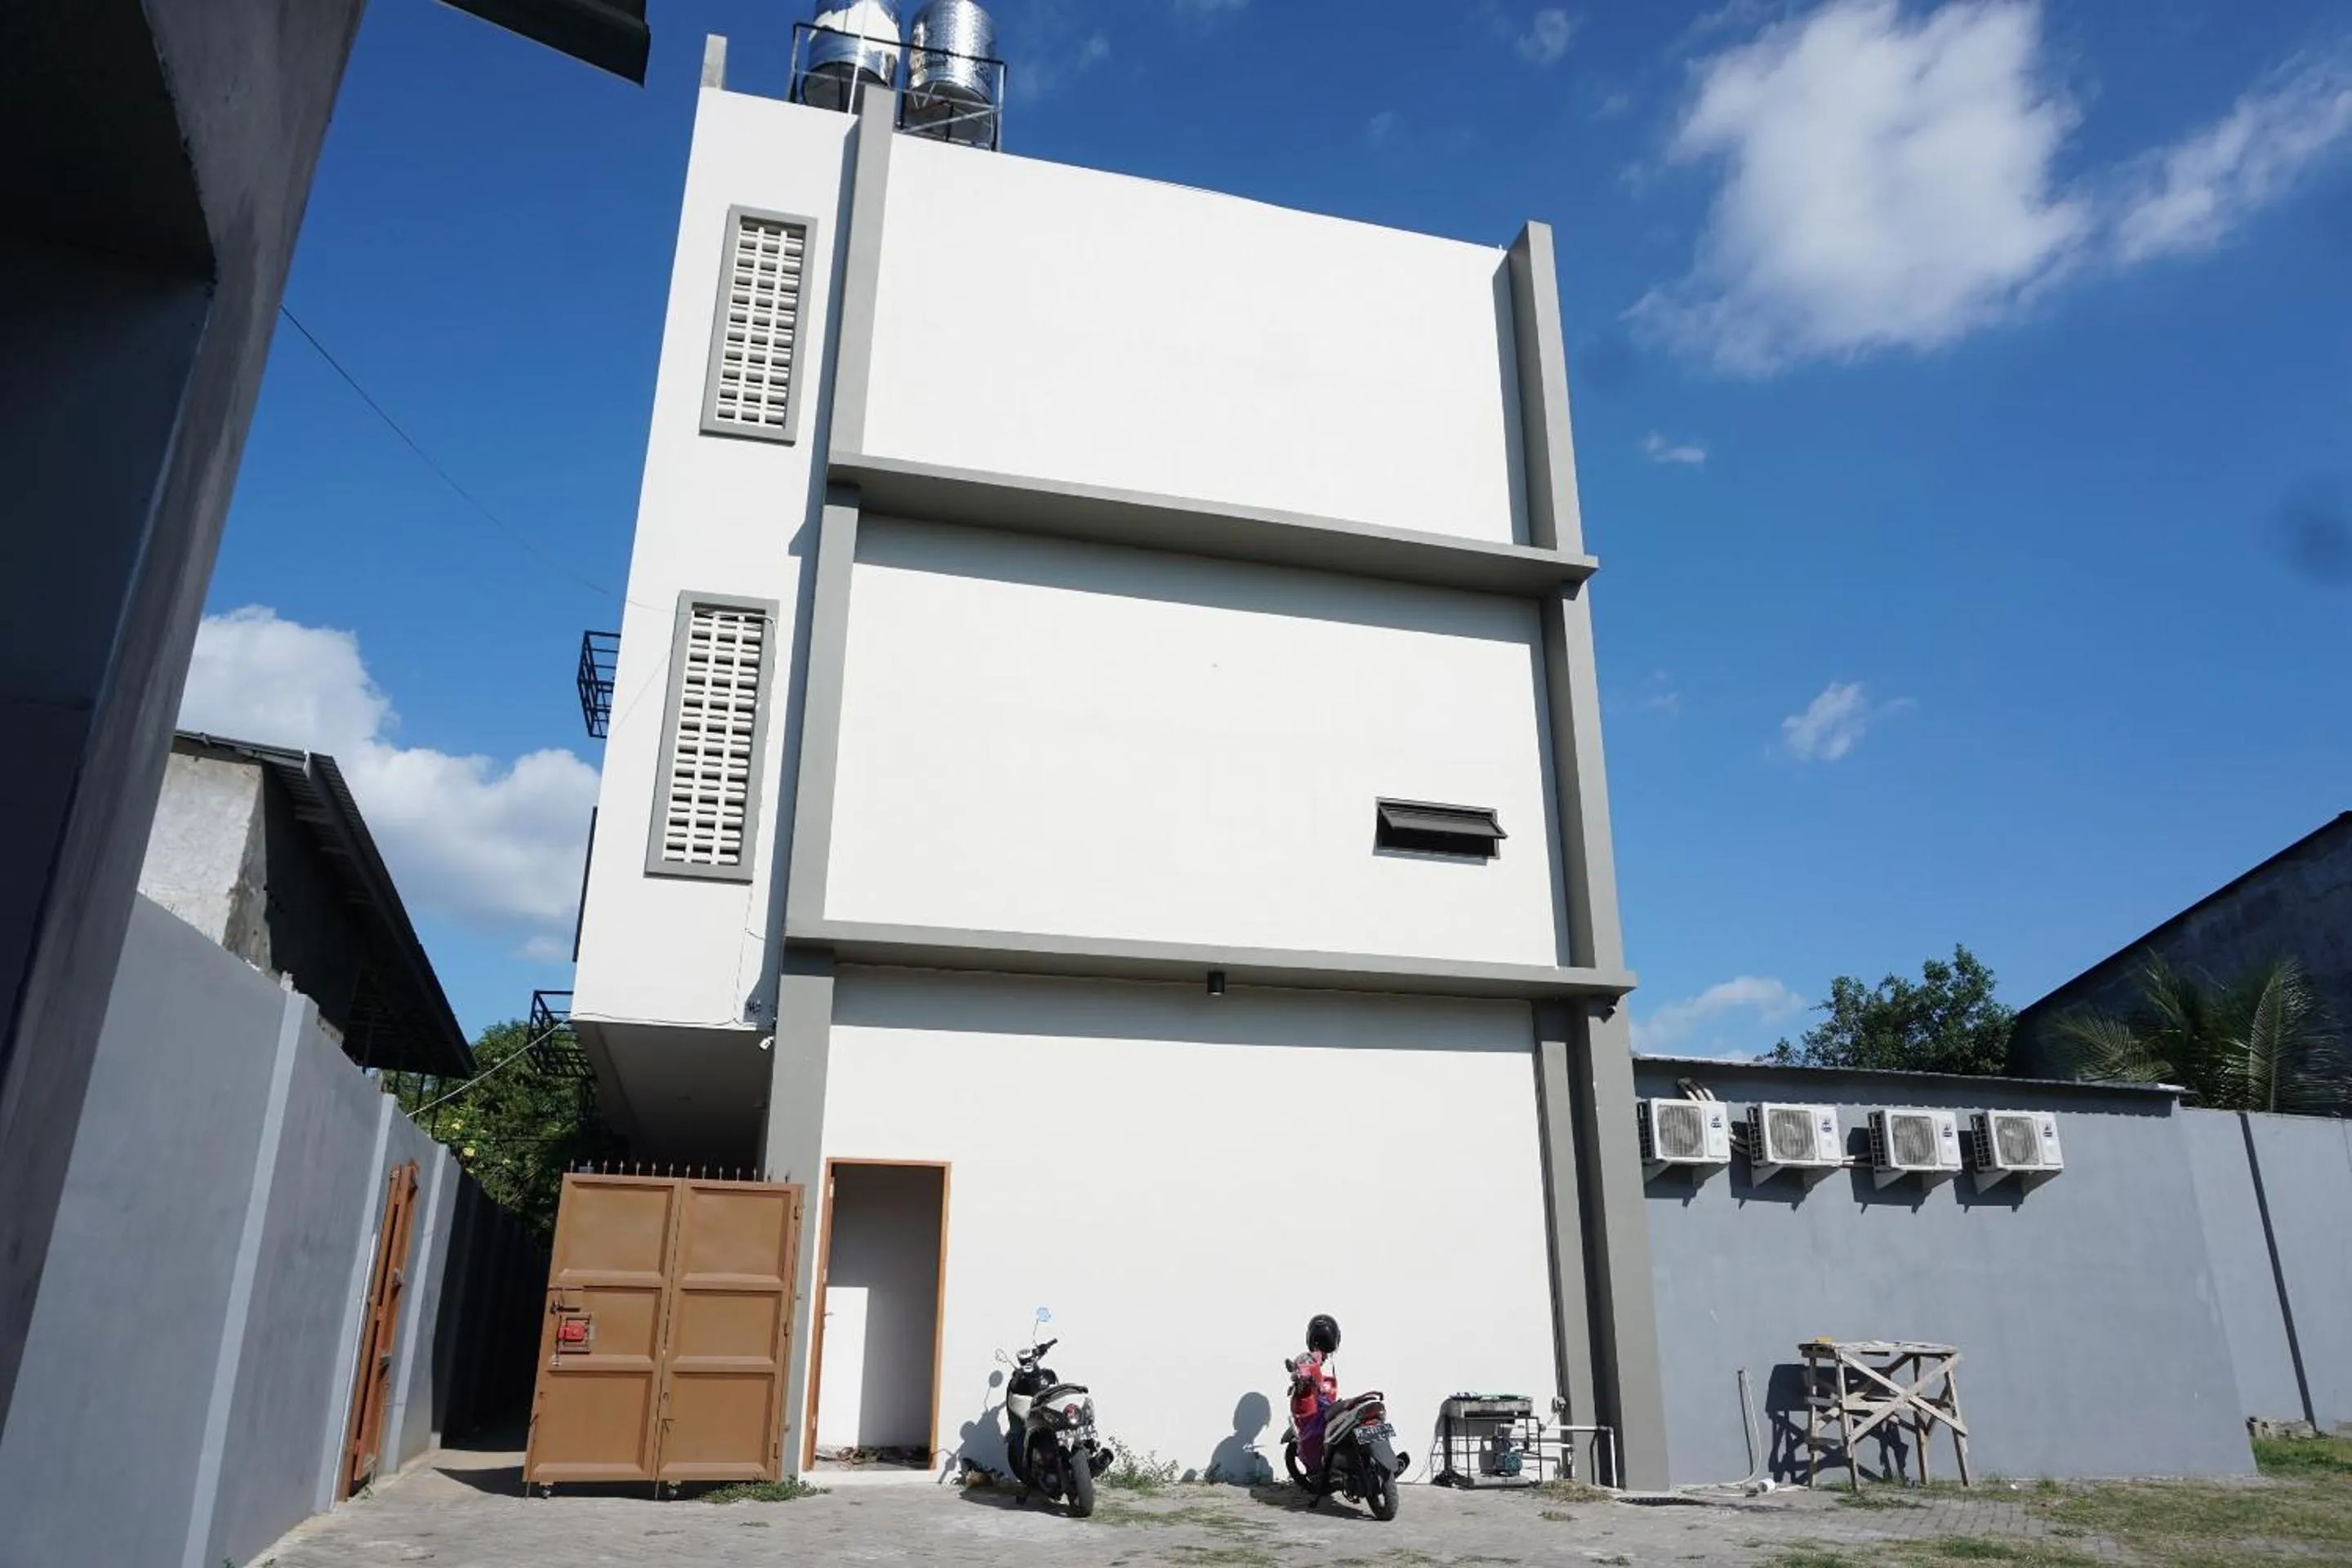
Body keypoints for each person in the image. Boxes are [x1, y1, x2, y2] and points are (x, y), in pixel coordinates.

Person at [1291, 1314, 1341, 1472]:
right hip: (1315, 1406)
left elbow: (1304, 1371)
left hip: (1313, 1408)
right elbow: (1306, 1371)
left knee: (1312, 1433)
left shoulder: (1309, 1358)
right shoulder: (1312, 1359)